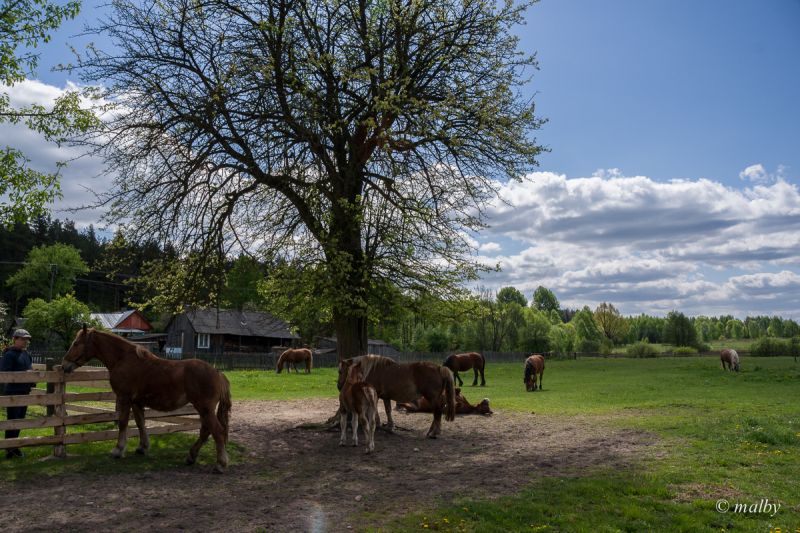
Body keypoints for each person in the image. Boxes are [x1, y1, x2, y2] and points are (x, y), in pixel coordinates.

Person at [2, 329, 34, 459]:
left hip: (25, 391)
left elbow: (29, 370)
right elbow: (4, 373)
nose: (25, 341)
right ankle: (10, 448)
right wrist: (24, 374)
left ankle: (13, 447)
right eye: (22, 339)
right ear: (15, 339)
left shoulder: (26, 354)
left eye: (26, 339)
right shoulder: (9, 355)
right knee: (13, 421)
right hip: (13, 392)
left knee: (20, 420)